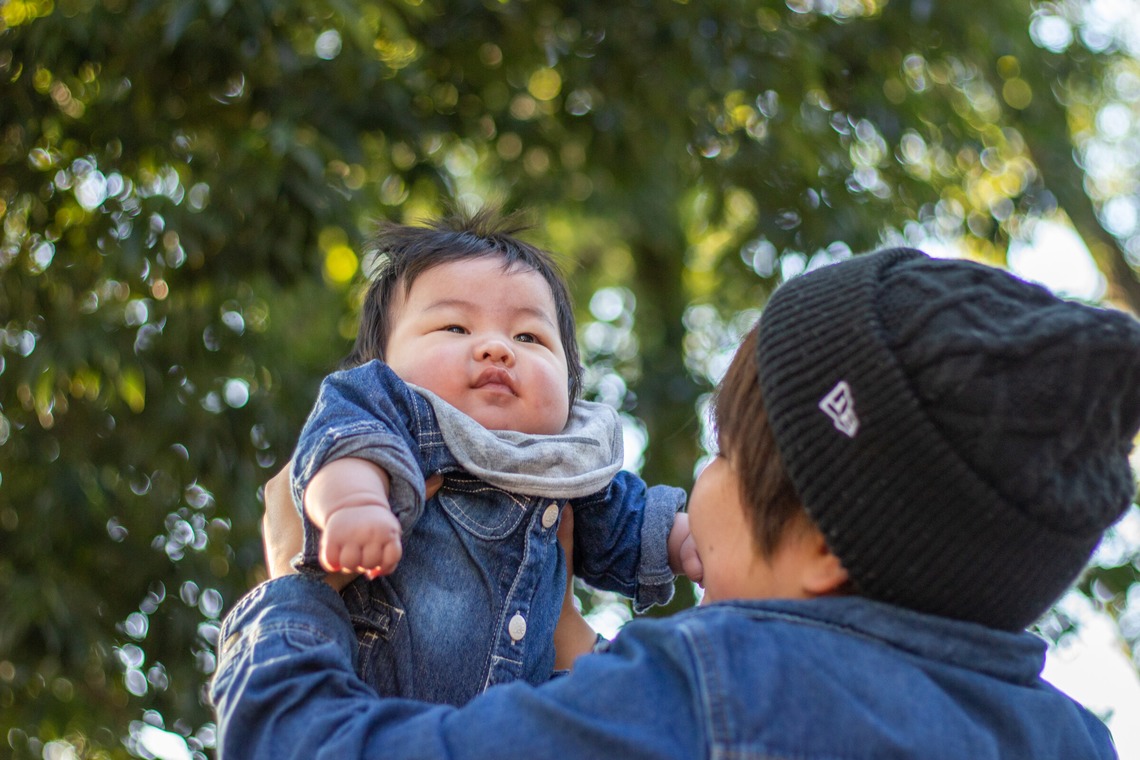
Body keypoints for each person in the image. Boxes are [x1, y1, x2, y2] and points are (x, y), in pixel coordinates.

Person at [213, 247, 1135, 758]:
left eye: (725, 455)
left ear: (824, 545)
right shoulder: (1072, 742)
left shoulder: (710, 687)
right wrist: (573, 643)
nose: (697, 477)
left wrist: (290, 589)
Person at [288, 208, 698, 705]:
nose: (497, 349)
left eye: (528, 337)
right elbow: (342, 446)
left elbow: (630, 524)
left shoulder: (566, 460)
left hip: (517, 725)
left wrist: (691, 540)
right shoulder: (395, 410)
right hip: (383, 710)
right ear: (383, 362)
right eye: (455, 327)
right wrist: (355, 502)